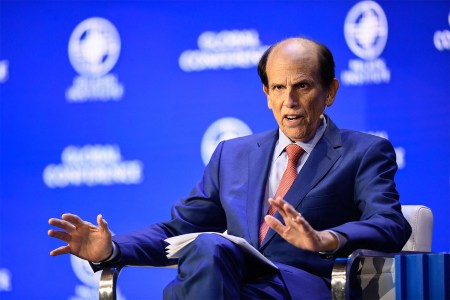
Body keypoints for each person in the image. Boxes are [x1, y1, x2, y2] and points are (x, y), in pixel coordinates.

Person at [48, 37, 412, 299]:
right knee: (205, 250)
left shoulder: (363, 151)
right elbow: (177, 231)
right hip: (227, 284)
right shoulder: (232, 155)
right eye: (279, 88)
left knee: (200, 264)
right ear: (266, 95)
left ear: (329, 91)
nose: (290, 101)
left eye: (302, 86)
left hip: (301, 285)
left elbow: (391, 224)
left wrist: (325, 239)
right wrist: (111, 249)